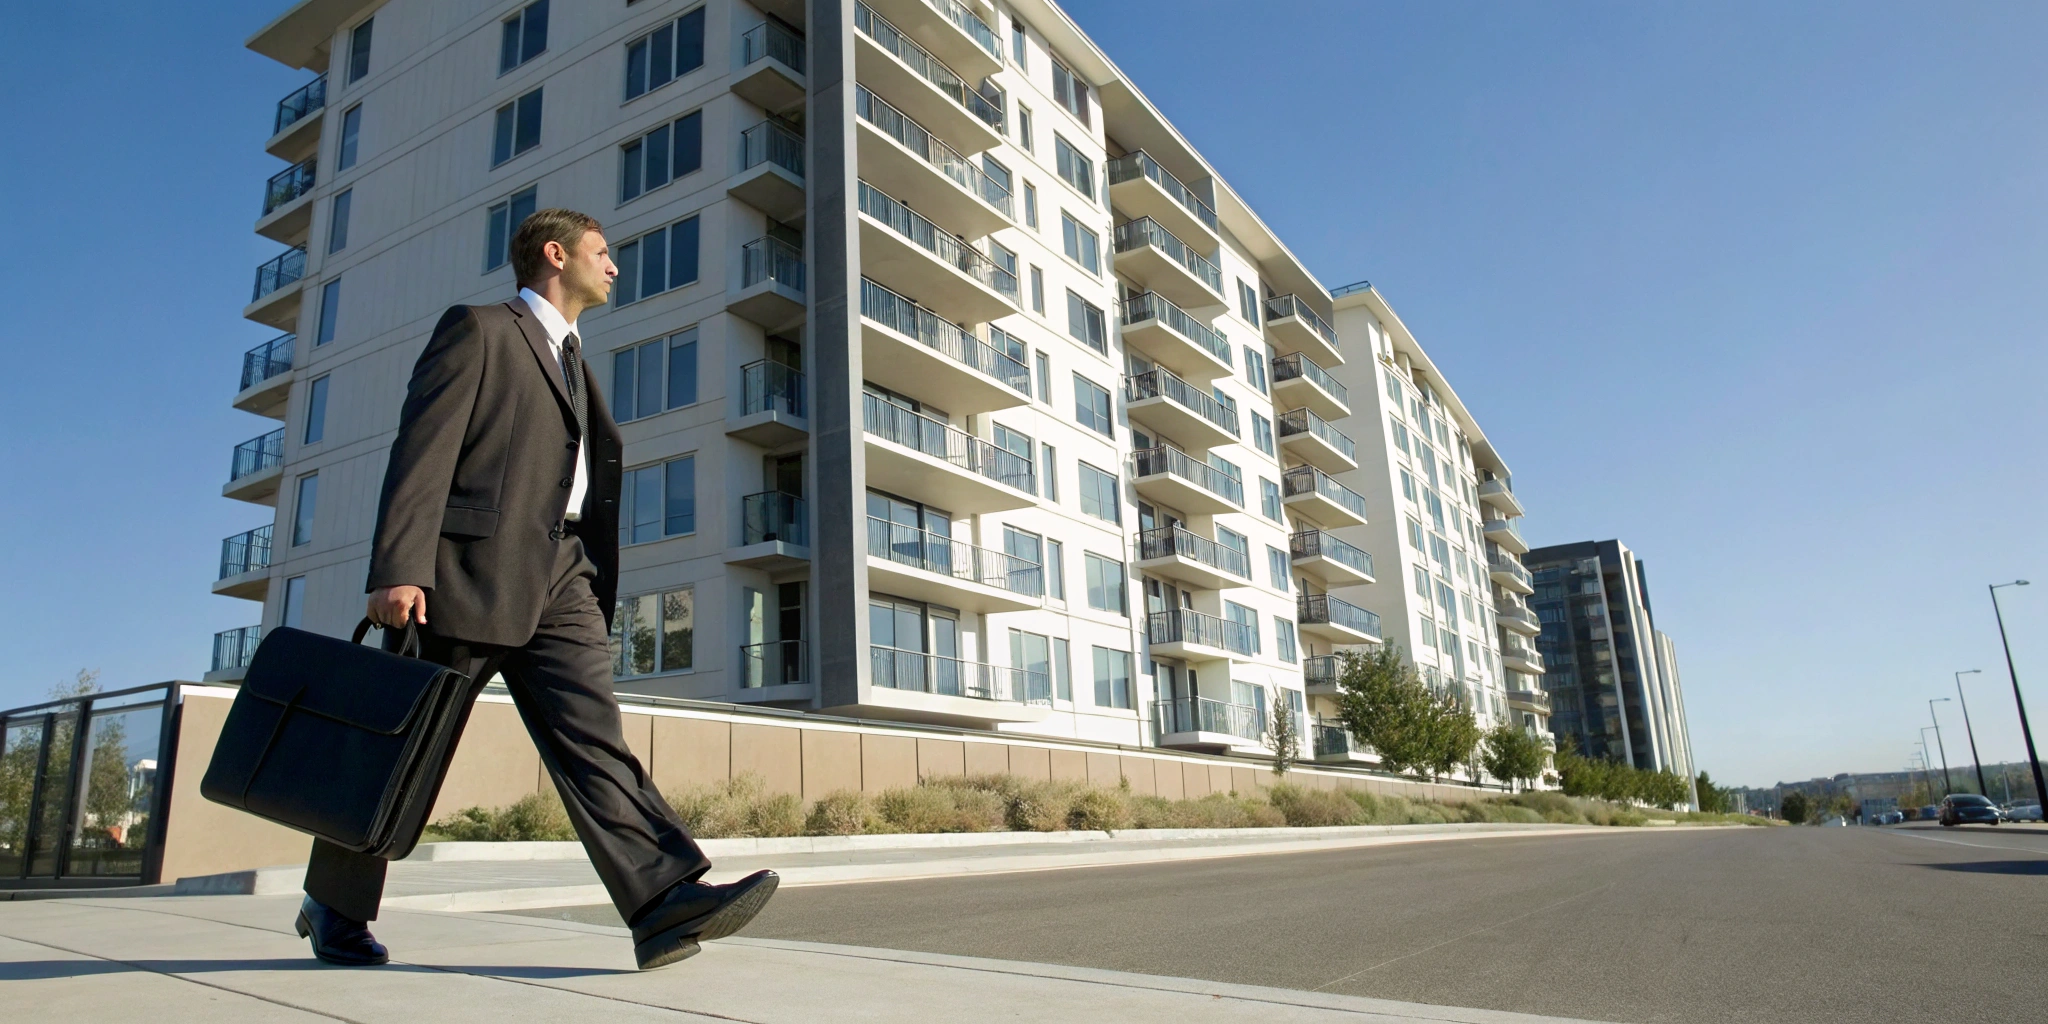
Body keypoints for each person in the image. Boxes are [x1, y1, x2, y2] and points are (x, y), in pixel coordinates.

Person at [294, 209, 776, 971]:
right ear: (556, 255)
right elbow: (423, 447)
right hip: (463, 573)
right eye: (602, 252)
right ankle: (335, 903)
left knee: (594, 734)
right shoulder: (481, 330)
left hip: (564, 573)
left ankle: (661, 902)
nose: (614, 266)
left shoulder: (575, 358)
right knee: (403, 747)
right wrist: (398, 567)